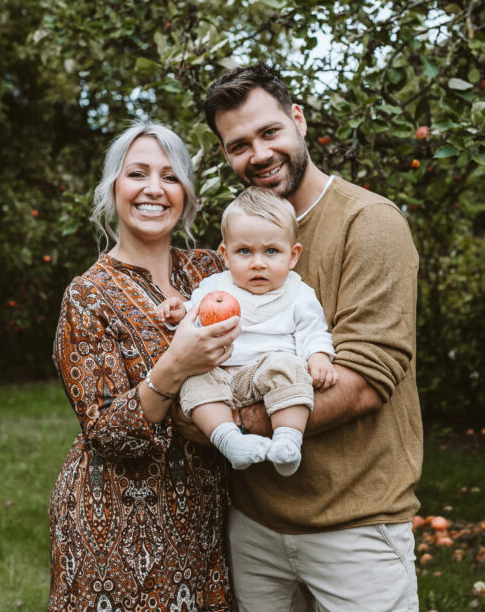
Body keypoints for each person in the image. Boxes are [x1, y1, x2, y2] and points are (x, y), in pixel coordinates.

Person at [200, 63, 423, 611]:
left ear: (298, 121)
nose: (258, 154)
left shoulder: (369, 223)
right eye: (238, 145)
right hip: (254, 522)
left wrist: (219, 425)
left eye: (269, 132)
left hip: (354, 527)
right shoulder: (244, 238)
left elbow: (365, 382)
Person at [48, 121, 241, 611]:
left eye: (171, 176)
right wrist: (174, 365)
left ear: (187, 195)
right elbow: (108, 430)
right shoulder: (88, 294)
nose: (154, 189)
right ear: (114, 189)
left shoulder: (211, 271)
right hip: (117, 523)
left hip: (208, 513)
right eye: (137, 174)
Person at [156, 186, 337, 476]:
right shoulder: (215, 286)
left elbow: (314, 331)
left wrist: (318, 357)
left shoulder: (299, 293)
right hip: (219, 374)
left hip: (268, 375)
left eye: (272, 251)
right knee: (193, 380)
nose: (258, 263)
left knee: (290, 367)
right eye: (244, 251)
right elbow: (194, 316)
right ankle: (230, 442)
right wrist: (179, 312)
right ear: (225, 255)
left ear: (293, 256)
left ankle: (288, 441)